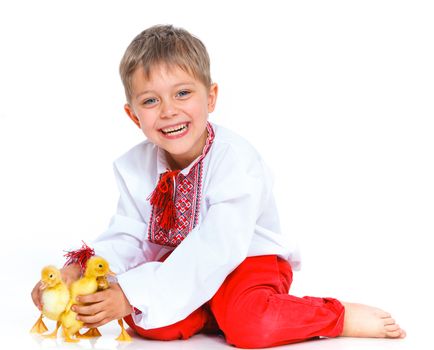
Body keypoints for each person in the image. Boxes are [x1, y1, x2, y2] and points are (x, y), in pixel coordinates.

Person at [31, 24, 406, 348]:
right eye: (150, 100)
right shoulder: (135, 165)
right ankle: (215, 308)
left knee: (251, 325)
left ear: (210, 97)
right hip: (181, 263)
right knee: (152, 324)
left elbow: (219, 246)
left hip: (248, 260)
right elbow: (129, 234)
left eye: (182, 93)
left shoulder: (235, 160)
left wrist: (132, 292)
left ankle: (336, 316)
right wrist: (83, 271)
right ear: (133, 115)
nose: (168, 111)